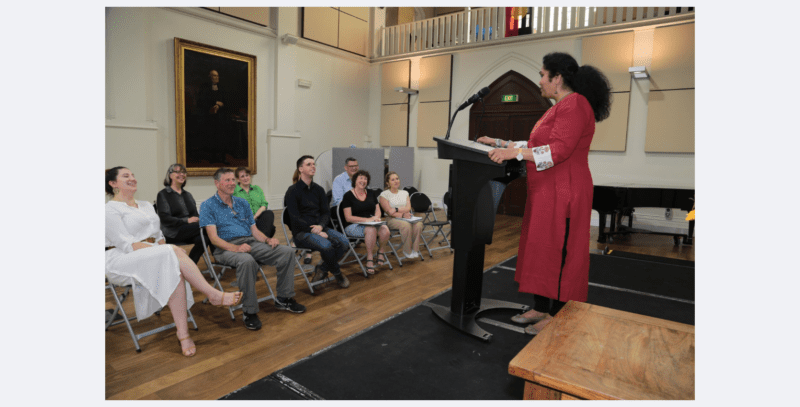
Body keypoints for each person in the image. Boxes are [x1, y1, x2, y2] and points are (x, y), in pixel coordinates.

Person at [477, 52, 611, 335]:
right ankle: (541, 307)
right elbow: (536, 144)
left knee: (560, 252)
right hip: (549, 192)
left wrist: (513, 153)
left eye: (542, 75)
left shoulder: (575, 104)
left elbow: (557, 151)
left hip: (565, 192)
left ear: (557, 78)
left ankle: (558, 316)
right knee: (542, 250)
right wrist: (500, 142)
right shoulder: (559, 107)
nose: (539, 81)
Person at [105, 167, 242, 357]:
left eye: (133, 175)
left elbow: (159, 235)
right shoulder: (109, 209)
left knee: (173, 265)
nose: (132, 178)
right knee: (171, 254)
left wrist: (164, 250)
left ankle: (183, 334)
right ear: (113, 184)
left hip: (153, 253)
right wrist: (165, 250)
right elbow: (127, 244)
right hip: (122, 259)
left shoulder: (145, 205)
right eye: (126, 176)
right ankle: (213, 294)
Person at [200, 168, 306, 331]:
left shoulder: (242, 203)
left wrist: (268, 239)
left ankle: (284, 299)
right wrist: (236, 248)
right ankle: (249, 311)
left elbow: (254, 231)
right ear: (217, 183)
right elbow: (214, 239)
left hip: (250, 242)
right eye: (227, 180)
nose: (232, 183)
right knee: (247, 261)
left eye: (233, 180)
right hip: (225, 248)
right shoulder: (208, 205)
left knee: (286, 252)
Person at [285, 155, 351, 288]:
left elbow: (326, 213)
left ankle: (322, 268)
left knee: (344, 242)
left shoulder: (319, 190)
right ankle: (337, 273)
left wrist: (320, 227)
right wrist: (314, 230)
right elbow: (294, 218)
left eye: (313, 164)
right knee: (327, 246)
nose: (313, 166)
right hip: (302, 232)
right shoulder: (292, 191)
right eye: (309, 164)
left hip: (320, 228)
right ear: (300, 169)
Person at [340, 170, 391, 275]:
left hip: (371, 223)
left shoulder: (371, 193)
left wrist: (376, 217)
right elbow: (348, 218)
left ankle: (381, 252)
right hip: (353, 225)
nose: (363, 181)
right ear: (355, 180)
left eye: (365, 179)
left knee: (385, 229)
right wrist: (367, 220)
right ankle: (370, 257)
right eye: (361, 178)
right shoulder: (348, 196)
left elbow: (378, 210)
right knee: (370, 230)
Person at [155, 163, 205, 264]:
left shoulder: (188, 195)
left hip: (190, 230)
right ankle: (219, 257)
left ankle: (190, 265)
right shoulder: (163, 194)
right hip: (172, 232)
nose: (182, 174)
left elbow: (195, 215)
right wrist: (186, 220)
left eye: (183, 172)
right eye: (177, 172)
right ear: (170, 175)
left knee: (205, 237)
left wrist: (199, 218)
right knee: (208, 227)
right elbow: (165, 218)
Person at [379, 171, 423, 260]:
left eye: (397, 179)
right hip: (391, 219)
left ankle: (415, 250)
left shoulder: (405, 193)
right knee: (406, 225)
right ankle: (407, 251)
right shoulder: (384, 194)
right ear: (387, 183)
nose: (396, 181)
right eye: (393, 180)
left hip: (406, 217)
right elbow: (389, 212)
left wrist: (396, 209)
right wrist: (402, 214)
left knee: (419, 224)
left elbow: (408, 208)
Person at [233, 167, 275, 238]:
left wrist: (254, 217)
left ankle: (260, 240)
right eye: (242, 176)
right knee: (270, 228)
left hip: (257, 218)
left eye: (247, 175)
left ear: (250, 176)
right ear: (238, 179)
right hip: (244, 221)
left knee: (269, 213)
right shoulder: (234, 192)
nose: (245, 178)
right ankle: (263, 240)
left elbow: (264, 205)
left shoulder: (257, 189)